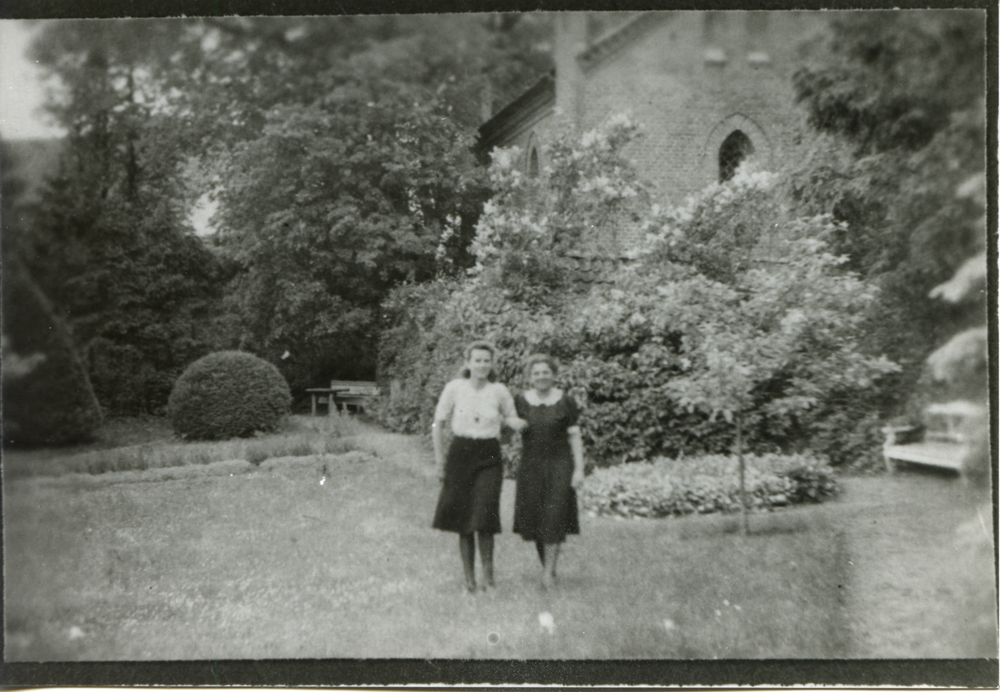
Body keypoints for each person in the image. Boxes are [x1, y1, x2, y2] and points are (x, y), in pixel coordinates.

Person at [432, 340, 527, 593]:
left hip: (489, 456)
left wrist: (513, 422)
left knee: (484, 516)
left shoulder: (499, 390)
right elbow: (438, 424)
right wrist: (440, 461)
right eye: (478, 360)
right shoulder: (454, 388)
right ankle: (469, 582)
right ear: (468, 363)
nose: (482, 365)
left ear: (491, 364)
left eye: (487, 360)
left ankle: (489, 580)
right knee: (463, 519)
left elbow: (510, 418)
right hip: (460, 453)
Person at [513, 354, 585, 590]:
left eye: (546, 372)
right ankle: (549, 569)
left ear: (554, 375)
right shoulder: (520, 401)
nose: (541, 377)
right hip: (531, 465)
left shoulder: (566, 402)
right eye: (536, 373)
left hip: (560, 464)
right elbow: (505, 422)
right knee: (536, 520)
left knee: (554, 517)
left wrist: (579, 469)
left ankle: (546, 575)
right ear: (530, 377)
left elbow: (575, 436)